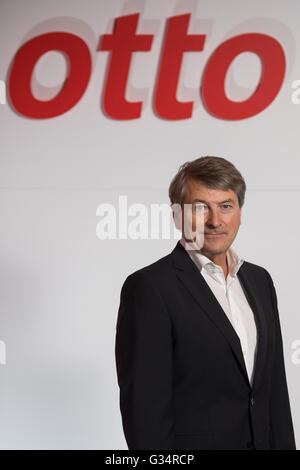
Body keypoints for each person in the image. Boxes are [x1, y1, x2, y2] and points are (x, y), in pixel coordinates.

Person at [115, 156, 296, 450]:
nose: (215, 220)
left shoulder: (260, 281)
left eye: (226, 206)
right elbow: (144, 411)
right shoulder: (149, 287)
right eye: (200, 208)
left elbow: (274, 392)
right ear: (176, 215)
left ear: (239, 212)